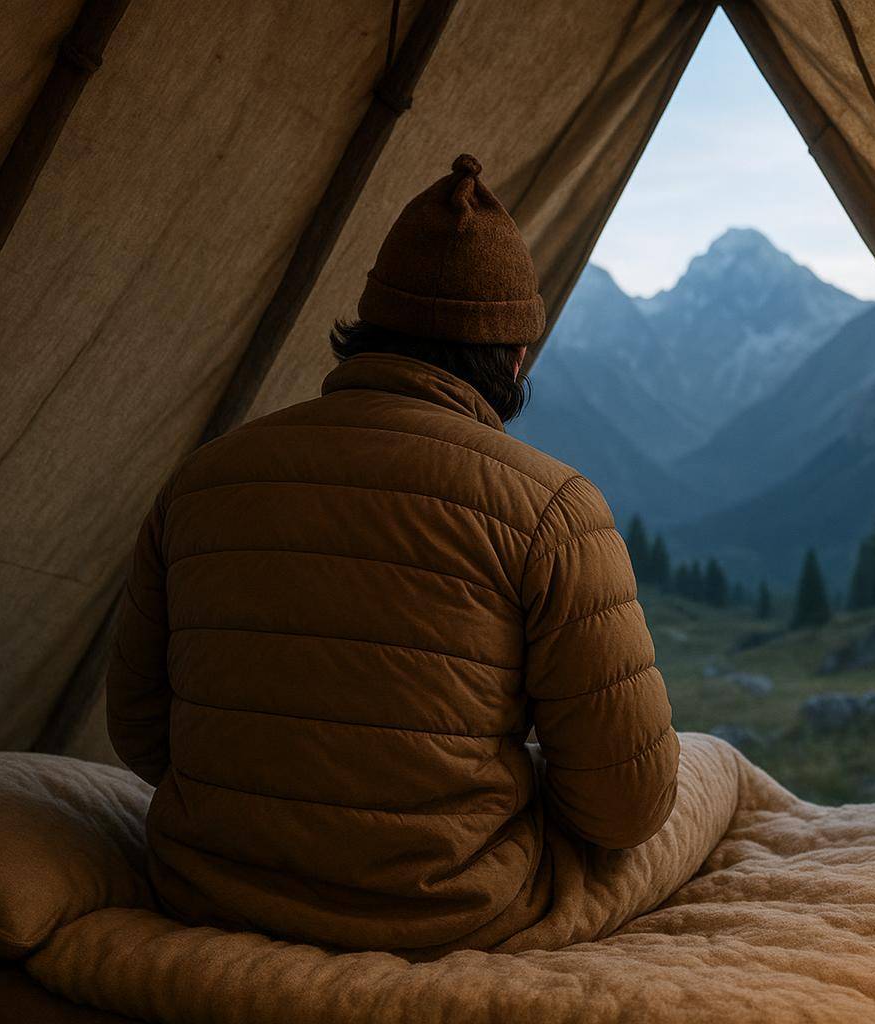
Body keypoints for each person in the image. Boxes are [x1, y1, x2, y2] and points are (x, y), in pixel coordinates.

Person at [106, 154, 678, 954]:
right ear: (514, 353)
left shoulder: (204, 479)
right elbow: (627, 804)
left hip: (207, 889)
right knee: (704, 781)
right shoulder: (551, 510)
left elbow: (138, 733)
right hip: (448, 914)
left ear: (368, 328)